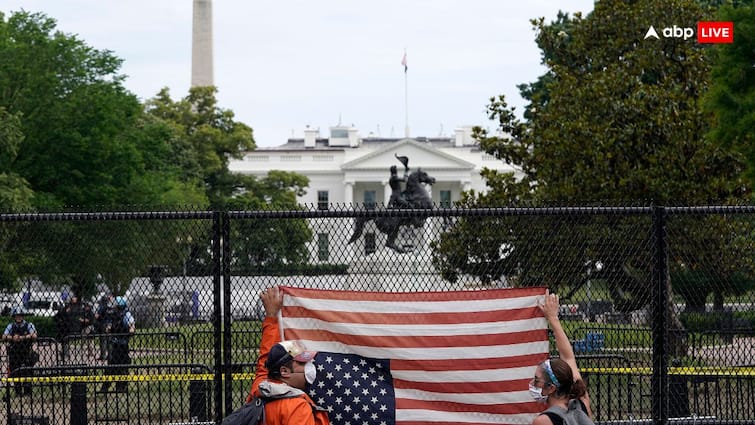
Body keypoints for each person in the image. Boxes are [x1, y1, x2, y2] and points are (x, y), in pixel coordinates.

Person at [245, 286, 330, 425]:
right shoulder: (297, 407)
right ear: (284, 371)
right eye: (302, 363)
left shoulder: (259, 390)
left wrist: (271, 317)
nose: (309, 367)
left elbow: (264, 364)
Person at [531, 291, 593, 425]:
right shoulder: (582, 404)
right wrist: (553, 318)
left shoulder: (544, 421)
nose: (533, 385)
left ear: (551, 388)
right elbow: (568, 358)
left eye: (537, 380)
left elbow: (568, 358)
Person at [99, 296, 135, 393]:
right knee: (112, 366)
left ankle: (120, 387)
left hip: (123, 345)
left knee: (122, 366)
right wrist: (109, 328)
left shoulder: (126, 315)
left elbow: (132, 327)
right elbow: (109, 327)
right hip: (115, 344)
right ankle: (107, 387)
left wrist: (130, 330)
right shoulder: (114, 315)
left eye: (115, 306)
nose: (113, 308)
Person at [2, 306, 38, 395]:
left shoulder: (28, 325)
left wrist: (23, 337)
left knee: (27, 372)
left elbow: (34, 335)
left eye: (20, 315)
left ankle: (28, 392)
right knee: (15, 372)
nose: (18, 317)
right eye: (16, 315)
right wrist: (12, 337)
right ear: (14, 316)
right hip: (14, 352)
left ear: (23, 316)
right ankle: (18, 392)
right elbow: (4, 336)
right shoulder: (11, 326)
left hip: (26, 351)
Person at [59, 294, 94, 362]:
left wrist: (82, 320)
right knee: (65, 340)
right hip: (68, 326)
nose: (73, 299)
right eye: (72, 298)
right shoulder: (68, 306)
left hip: (78, 327)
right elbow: (62, 313)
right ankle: (66, 354)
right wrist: (66, 311)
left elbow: (86, 318)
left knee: (86, 339)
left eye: (74, 297)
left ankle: (88, 352)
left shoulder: (79, 307)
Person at [94, 293, 114, 361]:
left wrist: (95, 316)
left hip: (104, 324)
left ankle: (103, 356)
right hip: (110, 324)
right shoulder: (111, 306)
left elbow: (97, 316)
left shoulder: (103, 306)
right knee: (109, 341)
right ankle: (110, 356)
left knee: (103, 341)